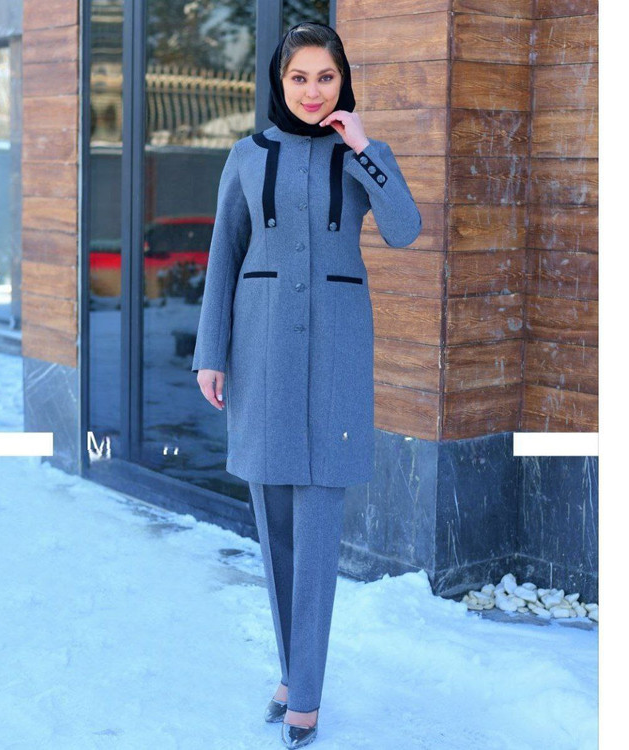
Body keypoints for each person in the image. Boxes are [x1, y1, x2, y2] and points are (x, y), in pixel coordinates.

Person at [192, 20, 422, 749]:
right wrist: (210, 353)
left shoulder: (359, 155)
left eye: (326, 77)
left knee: (318, 529)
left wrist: (366, 148)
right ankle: (295, 675)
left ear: (342, 81)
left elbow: (405, 229)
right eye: (300, 78)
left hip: (335, 358)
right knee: (275, 531)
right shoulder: (245, 156)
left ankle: (306, 697)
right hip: (261, 354)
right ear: (279, 82)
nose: (313, 91)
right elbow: (224, 256)